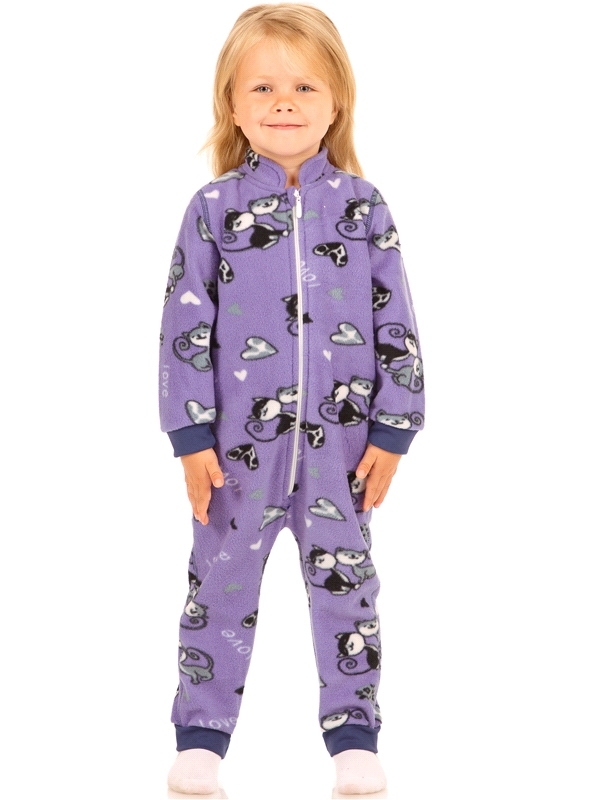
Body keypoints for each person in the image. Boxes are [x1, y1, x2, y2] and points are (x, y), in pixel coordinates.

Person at [158, 3, 425, 794]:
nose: (283, 102)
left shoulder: (363, 207)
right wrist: (189, 438)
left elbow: (396, 321)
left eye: (304, 86)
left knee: (347, 591)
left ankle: (353, 736)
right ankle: (202, 737)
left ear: (336, 102)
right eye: (263, 87)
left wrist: (394, 429)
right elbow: (183, 328)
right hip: (235, 454)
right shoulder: (212, 210)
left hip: (342, 451)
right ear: (232, 106)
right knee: (218, 586)